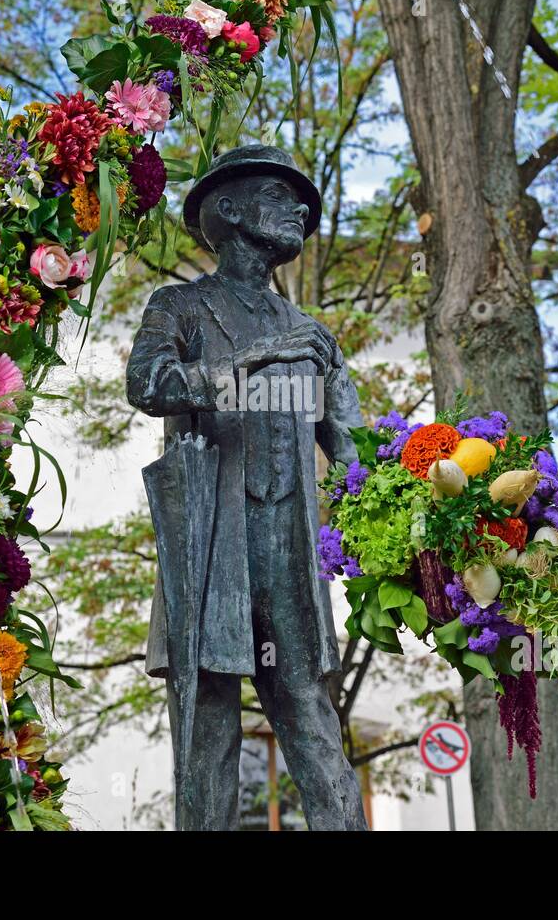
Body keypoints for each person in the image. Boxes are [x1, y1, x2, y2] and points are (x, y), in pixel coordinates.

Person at [127, 144, 368, 830]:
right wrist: (255, 359)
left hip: (288, 551)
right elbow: (149, 383)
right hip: (213, 547)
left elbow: (354, 450)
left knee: (313, 719)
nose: (298, 208)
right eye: (278, 193)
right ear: (229, 210)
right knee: (207, 731)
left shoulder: (313, 335)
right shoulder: (183, 306)